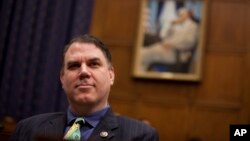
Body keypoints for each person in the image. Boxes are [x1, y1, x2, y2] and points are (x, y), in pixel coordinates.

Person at [10, 34, 159, 141]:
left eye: (94, 64)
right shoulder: (27, 129)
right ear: (62, 78)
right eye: (74, 65)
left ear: (111, 75)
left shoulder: (141, 136)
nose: (83, 72)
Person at [140, 7, 199, 72]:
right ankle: (141, 73)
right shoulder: (177, 25)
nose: (180, 17)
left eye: (182, 15)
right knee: (142, 52)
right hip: (166, 48)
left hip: (177, 53)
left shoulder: (193, 26)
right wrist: (172, 25)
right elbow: (166, 37)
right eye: (179, 15)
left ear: (187, 15)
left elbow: (190, 42)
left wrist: (173, 45)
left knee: (144, 54)